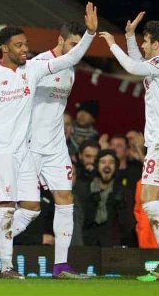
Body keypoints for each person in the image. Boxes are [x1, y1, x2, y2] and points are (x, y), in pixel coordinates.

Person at [0, 2, 97, 279]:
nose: (26, 49)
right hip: (0, 149)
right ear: (5, 48)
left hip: (27, 150)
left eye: (26, 44)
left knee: (31, 210)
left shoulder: (34, 69)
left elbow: (69, 60)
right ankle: (6, 268)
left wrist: (90, 34)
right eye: (19, 45)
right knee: (6, 207)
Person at [99, 11, 159, 282]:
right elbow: (139, 64)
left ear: (157, 44)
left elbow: (133, 67)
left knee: (148, 200)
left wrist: (112, 44)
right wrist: (128, 36)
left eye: (145, 41)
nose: (143, 45)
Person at [28, 21, 98, 278]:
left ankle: (60, 265)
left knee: (65, 199)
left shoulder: (71, 70)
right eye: (72, 45)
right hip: (30, 145)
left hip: (56, 146)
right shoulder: (37, 65)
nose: (76, 52)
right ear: (60, 40)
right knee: (24, 207)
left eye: (80, 47)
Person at [76, 150, 127, 247]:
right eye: (103, 162)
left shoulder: (122, 192)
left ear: (116, 166)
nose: (107, 165)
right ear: (97, 165)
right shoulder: (84, 190)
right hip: (87, 245)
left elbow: (126, 225)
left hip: (112, 247)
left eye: (111, 162)